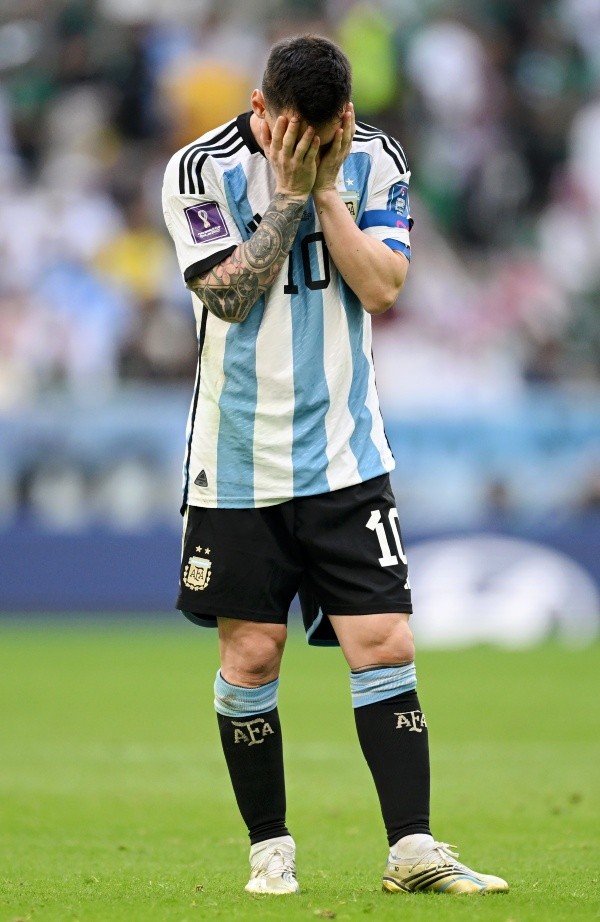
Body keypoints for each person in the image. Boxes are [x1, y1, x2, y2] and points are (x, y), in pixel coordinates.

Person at [162, 34, 509, 897]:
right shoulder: (197, 171)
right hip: (236, 462)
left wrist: (325, 200)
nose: (309, 147)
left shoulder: (374, 158)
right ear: (258, 111)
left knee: (385, 639)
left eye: (325, 134)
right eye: (291, 133)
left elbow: (386, 289)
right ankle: (269, 850)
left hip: (346, 457)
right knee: (252, 655)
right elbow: (228, 298)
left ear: (345, 117)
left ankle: (413, 849)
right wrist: (285, 197)